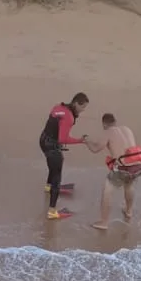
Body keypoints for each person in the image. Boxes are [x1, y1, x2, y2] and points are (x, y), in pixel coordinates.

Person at [87, 113, 141, 230]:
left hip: (123, 169)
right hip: (137, 166)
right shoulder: (126, 129)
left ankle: (103, 222)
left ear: (104, 124)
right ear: (115, 121)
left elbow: (95, 149)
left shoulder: (108, 132)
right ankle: (128, 211)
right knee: (129, 186)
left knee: (107, 190)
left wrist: (86, 141)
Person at [40, 92, 90, 220]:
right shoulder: (69, 117)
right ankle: (52, 211)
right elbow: (62, 139)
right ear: (76, 103)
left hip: (43, 140)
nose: (83, 110)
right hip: (52, 145)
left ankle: (48, 186)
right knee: (57, 174)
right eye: (82, 107)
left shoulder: (59, 107)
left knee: (53, 166)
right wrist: (80, 140)